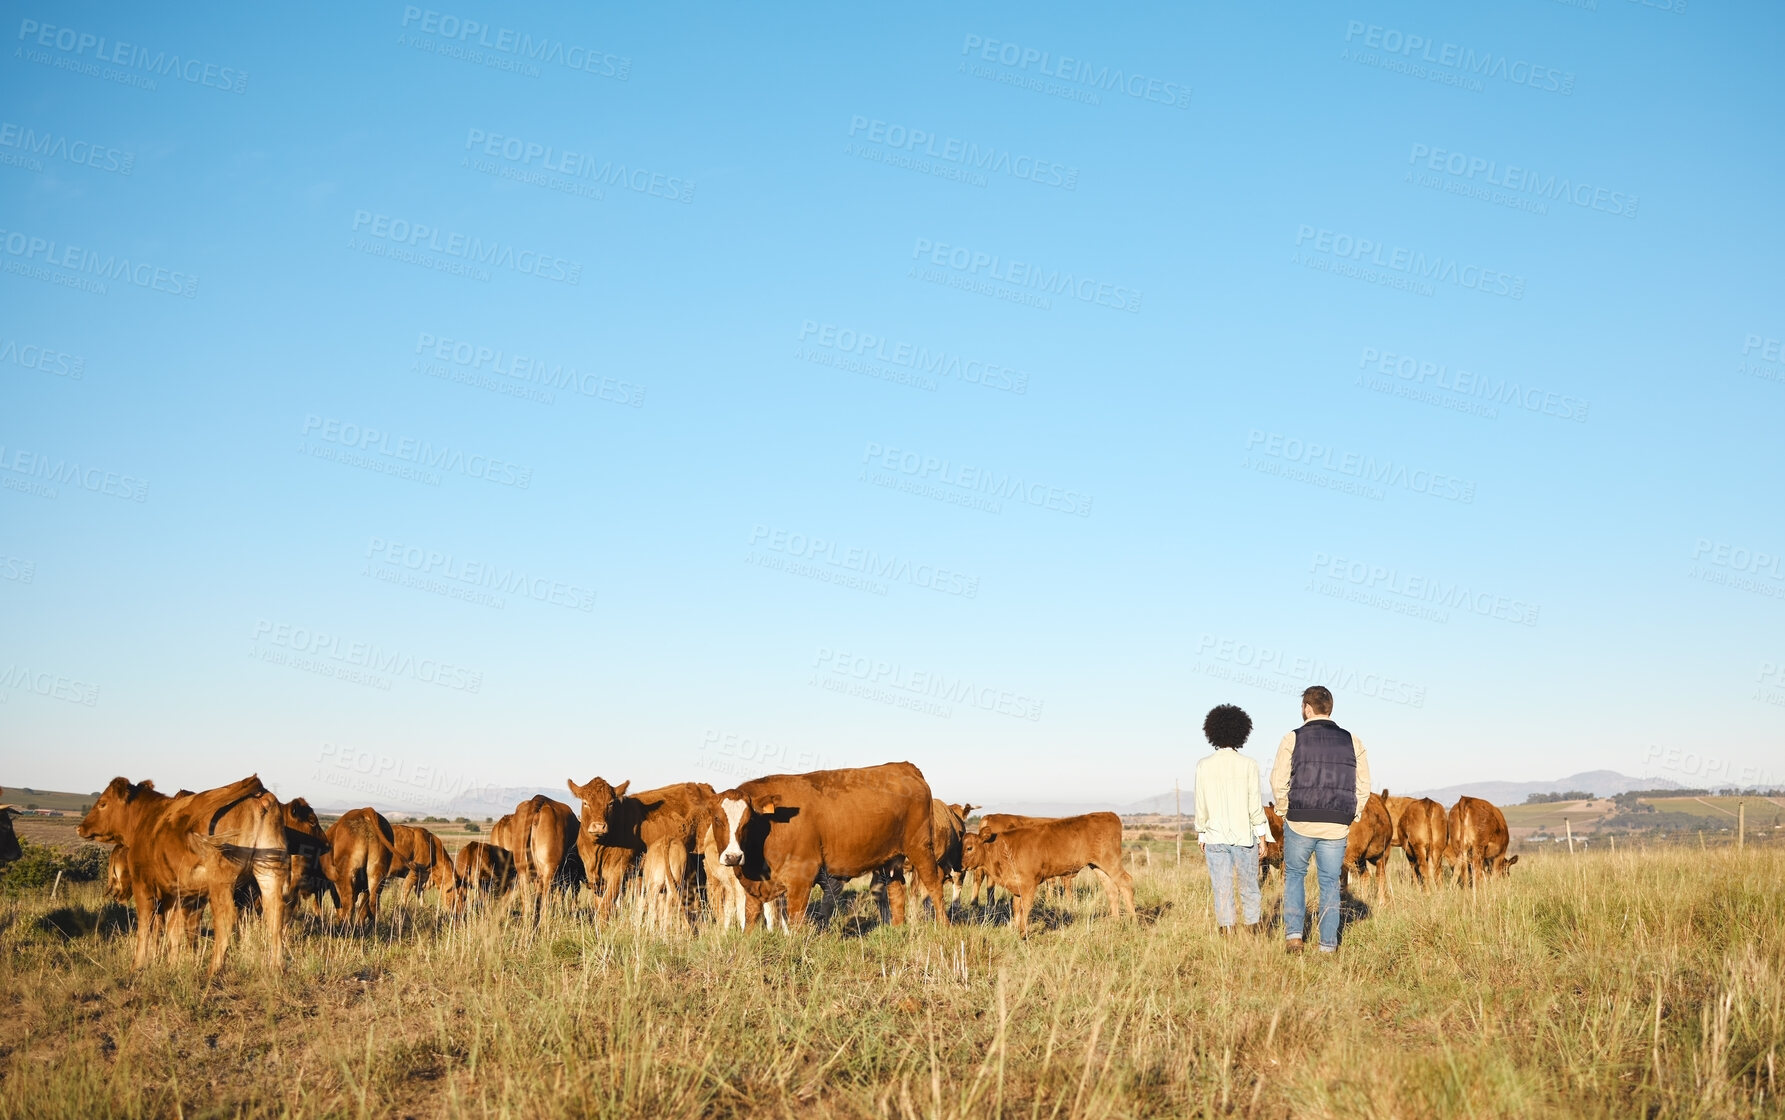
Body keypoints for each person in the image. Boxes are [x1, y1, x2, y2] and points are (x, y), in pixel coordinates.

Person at [1269, 685, 1371, 955]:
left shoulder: (1292, 738)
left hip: (1300, 820)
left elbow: (1277, 780)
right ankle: (1327, 946)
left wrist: (1284, 809)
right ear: (1330, 708)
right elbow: (1364, 786)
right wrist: (1353, 814)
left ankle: (1294, 937)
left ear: (1306, 708)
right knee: (1329, 882)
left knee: (1294, 876)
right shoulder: (1353, 740)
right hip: (1337, 823)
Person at [1194, 704, 1272, 936]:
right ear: (1242, 732)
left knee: (1222, 888)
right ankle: (1253, 932)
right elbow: (1254, 805)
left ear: (1212, 732)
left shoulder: (1203, 765)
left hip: (1215, 837)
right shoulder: (1249, 764)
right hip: (1244, 836)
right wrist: (1262, 837)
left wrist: (1201, 833)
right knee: (1249, 887)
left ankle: (1227, 933)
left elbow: (1200, 804)